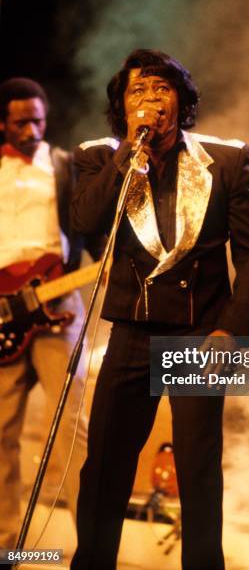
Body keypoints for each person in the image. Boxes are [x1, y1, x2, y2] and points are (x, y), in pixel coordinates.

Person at [70, 49, 249, 570]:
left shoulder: (225, 160)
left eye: (162, 90)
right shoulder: (100, 157)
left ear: (182, 103)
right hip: (131, 335)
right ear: (122, 106)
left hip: (200, 336)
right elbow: (85, 220)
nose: (151, 100)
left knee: (197, 469)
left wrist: (232, 331)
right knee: (105, 468)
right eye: (138, 91)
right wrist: (125, 156)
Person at [0, 78, 97, 552]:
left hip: (56, 303)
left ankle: (93, 548)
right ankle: (6, 545)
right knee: (0, 434)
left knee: (72, 429)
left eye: (38, 119)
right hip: (1, 312)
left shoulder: (63, 166)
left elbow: (92, 225)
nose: (32, 129)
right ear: (3, 122)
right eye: (21, 122)